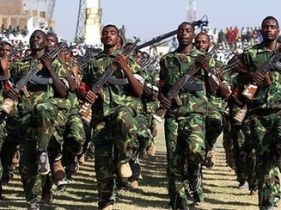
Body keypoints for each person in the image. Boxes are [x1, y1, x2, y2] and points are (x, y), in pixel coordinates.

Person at [158, 22, 225, 209]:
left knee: (195, 151)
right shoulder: (167, 59)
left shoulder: (204, 59)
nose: (184, 33)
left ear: (193, 35)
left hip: (195, 114)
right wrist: (162, 99)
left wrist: (207, 69)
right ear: (177, 34)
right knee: (174, 162)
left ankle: (195, 171)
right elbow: (162, 86)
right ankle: (179, 203)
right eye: (181, 30)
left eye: (188, 31)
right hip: (172, 115)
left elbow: (214, 90)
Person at [80, 24, 144, 210]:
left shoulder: (130, 61)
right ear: (101, 39)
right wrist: (87, 94)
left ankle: (124, 159)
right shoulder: (93, 63)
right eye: (105, 33)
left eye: (113, 33)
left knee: (123, 118)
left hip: (123, 110)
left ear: (118, 38)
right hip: (101, 117)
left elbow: (140, 91)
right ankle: (106, 201)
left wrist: (125, 67)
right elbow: (83, 87)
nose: (109, 35)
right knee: (103, 163)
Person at [4, 29, 70, 209]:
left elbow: (63, 92)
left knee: (43, 108)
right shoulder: (20, 65)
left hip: (47, 117)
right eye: (32, 37)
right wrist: (11, 92)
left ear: (45, 43)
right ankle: (33, 200)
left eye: (38, 37)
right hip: (25, 115)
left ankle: (43, 152)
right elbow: (11, 88)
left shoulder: (55, 63)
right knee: (26, 162)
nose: (35, 39)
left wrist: (49, 68)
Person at [235, 16, 281, 210]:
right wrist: (251, 76)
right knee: (264, 160)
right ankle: (268, 203)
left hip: (280, 110)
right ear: (261, 30)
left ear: (278, 30)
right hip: (258, 113)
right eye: (266, 27)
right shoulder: (251, 53)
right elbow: (239, 80)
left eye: (273, 27)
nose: (269, 30)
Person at [194, 32, 227, 168]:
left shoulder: (218, 65)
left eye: (204, 42)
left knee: (216, 124)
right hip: (193, 104)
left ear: (209, 45)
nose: (201, 45)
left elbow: (222, 91)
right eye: (198, 42)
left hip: (212, 105)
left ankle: (209, 146)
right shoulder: (188, 62)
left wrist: (209, 71)